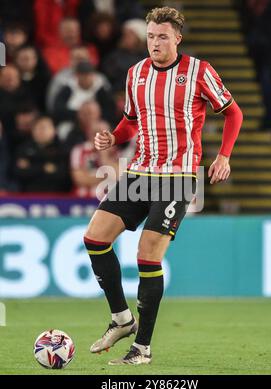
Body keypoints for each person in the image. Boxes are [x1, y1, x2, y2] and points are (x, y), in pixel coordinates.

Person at [84, 6, 243, 365]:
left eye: (162, 37)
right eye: (151, 36)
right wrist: (113, 136)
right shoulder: (135, 73)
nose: (155, 43)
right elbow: (130, 122)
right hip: (140, 171)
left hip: (178, 177)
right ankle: (122, 319)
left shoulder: (199, 72)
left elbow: (234, 112)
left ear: (177, 39)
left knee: (146, 255)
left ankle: (142, 348)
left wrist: (224, 156)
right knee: (95, 238)